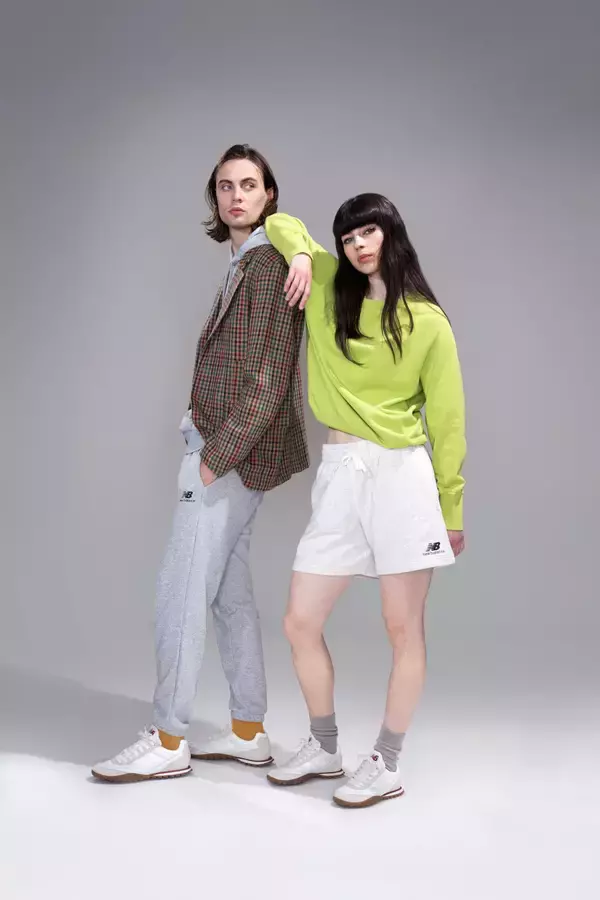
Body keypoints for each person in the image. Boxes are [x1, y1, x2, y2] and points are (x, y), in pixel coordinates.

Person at [92, 145, 309, 783]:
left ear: (269, 195)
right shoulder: (246, 260)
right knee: (229, 597)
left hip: (229, 456)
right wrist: (194, 415)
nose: (236, 196)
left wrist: (215, 455)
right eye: (225, 186)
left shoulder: (269, 265)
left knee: (179, 592)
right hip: (223, 447)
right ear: (215, 198)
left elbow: (271, 376)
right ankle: (248, 731)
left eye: (249, 185)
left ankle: (168, 739)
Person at [262, 194, 466, 807]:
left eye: (367, 232)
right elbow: (279, 222)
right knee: (300, 621)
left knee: (402, 627)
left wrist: (452, 510)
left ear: (391, 234)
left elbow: (448, 423)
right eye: (348, 238)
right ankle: (325, 747)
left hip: (402, 478)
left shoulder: (427, 321)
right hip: (339, 475)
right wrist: (303, 256)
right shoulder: (328, 288)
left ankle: (387, 761)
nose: (357, 246)